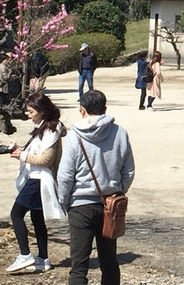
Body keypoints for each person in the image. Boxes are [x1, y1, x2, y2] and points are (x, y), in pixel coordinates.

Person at [57, 89, 135, 285]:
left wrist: (64, 202)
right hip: (110, 205)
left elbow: (66, 175)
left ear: (82, 110)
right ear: (105, 109)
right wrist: (118, 192)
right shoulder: (120, 132)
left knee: (79, 266)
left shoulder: (75, 136)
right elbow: (129, 171)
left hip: (80, 205)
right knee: (109, 262)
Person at [5, 91, 66, 275]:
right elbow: (39, 152)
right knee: (37, 219)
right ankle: (43, 259)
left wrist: (22, 155)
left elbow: (46, 159)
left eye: (31, 111)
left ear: (41, 111)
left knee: (16, 214)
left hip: (38, 179)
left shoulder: (51, 130)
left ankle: (25, 255)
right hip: (38, 178)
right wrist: (20, 150)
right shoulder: (45, 127)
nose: (28, 115)